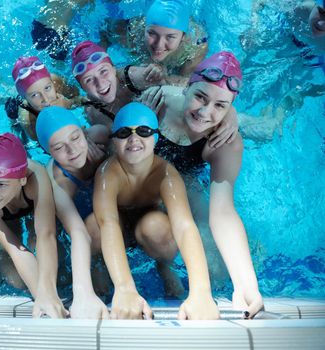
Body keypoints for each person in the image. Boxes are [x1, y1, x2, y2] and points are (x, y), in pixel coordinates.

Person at [142, 51, 264, 318]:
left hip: (185, 180)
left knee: (217, 272)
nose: (205, 112)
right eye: (200, 97)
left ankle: (271, 119)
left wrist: (246, 284)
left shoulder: (225, 142)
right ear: (186, 87)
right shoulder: (159, 101)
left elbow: (223, 211)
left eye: (220, 106)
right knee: (154, 233)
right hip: (144, 178)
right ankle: (164, 266)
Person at [93, 102, 219, 320]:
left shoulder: (166, 174)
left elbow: (184, 226)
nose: (134, 140)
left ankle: (164, 265)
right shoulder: (108, 173)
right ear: (114, 140)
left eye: (143, 131)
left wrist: (201, 291)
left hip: (149, 222)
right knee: (91, 228)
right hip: (119, 225)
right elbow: (108, 224)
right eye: (124, 133)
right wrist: (125, 288)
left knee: (157, 228)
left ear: (156, 138)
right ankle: (100, 265)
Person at [0, 133, 67, 319]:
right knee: (14, 280)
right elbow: (15, 249)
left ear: (21, 179)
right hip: (3, 216)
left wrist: (48, 291)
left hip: (27, 201)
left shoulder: (34, 177)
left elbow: (45, 234)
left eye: (1, 184)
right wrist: (42, 297)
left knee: (57, 261)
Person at [71, 40, 235, 147]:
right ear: (82, 87)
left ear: (113, 69)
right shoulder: (93, 112)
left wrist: (229, 112)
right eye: (89, 80)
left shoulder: (132, 77)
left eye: (104, 72)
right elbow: (120, 146)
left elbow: (192, 88)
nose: (101, 84)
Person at [35, 106, 109, 319]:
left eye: (76, 138)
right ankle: (97, 262)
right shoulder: (59, 182)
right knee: (93, 226)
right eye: (59, 147)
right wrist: (82, 293)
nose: (72, 150)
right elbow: (77, 232)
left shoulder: (101, 135)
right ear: (48, 152)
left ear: (84, 131)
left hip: (106, 201)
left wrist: (104, 163)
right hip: (78, 213)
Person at [127, 0, 209, 85]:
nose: (159, 45)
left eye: (170, 37)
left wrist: (164, 77)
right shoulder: (134, 33)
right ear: (144, 29)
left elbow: (187, 83)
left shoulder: (196, 47)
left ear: (183, 37)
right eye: (152, 33)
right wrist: (151, 66)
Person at [8, 56, 81, 143]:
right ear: (25, 98)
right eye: (34, 95)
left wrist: (69, 103)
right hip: (17, 108)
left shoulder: (56, 81)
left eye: (47, 88)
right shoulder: (28, 120)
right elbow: (48, 146)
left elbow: (80, 98)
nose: (45, 99)